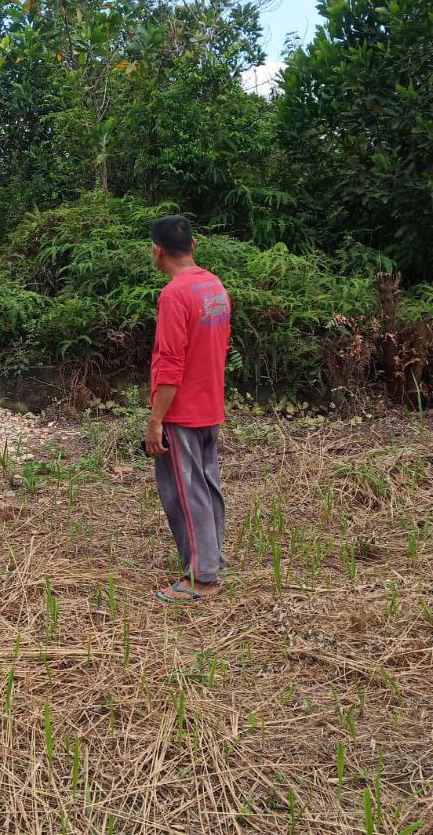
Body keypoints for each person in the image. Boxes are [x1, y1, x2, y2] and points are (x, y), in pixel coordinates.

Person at [145, 215, 232, 604]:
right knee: (207, 485)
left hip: (182, 410)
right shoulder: (214, 286)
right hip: (210, 403)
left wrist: (156, 418)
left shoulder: (174, 294)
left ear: (157, 250)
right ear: (193, 245)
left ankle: (202, 577)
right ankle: (213, 557)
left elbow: (170, 364)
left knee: (185, 491)